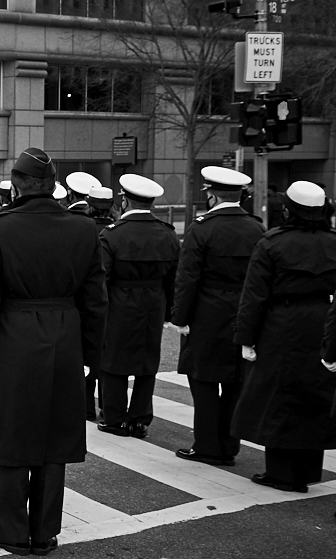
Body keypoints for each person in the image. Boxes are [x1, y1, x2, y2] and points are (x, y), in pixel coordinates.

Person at [0, 147, 107, 555]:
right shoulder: (82, 229)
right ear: (52, 184)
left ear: (18, 184)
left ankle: (9, 528)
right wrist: (90, 356)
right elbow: (96, 301)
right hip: (66, 337)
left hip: (13, 337)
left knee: (12, 434)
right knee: (52, 438)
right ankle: (44, 531)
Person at [236, 181, 336, 491]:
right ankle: (307, 471)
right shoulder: (333, 242)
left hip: (282, 322)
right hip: (324, 318)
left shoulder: (272, 243)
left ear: (287, 209)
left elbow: (254, 296)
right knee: (314, 396)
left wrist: (246, 338)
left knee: (279, 397)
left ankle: (282, 473)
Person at [172, 167, 263, 466]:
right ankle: (228, 445)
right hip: (244, 311)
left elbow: (188, 279)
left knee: (204, 382)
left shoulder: (201, 228)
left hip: (207, 313)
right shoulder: (257, 229)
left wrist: (180, 317)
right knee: (236, 381)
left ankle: (208, 445)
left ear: (210, 194)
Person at [95, 174, 179, 438]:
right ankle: (140, 419)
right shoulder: (167, 234)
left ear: (124, 200)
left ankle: (115, 418)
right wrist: (168, 312)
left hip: (119, 302)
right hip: (154, 301)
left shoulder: (112, 235)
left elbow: (102, 277)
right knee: (147, 361)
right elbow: (174, 277)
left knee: (113, 361)